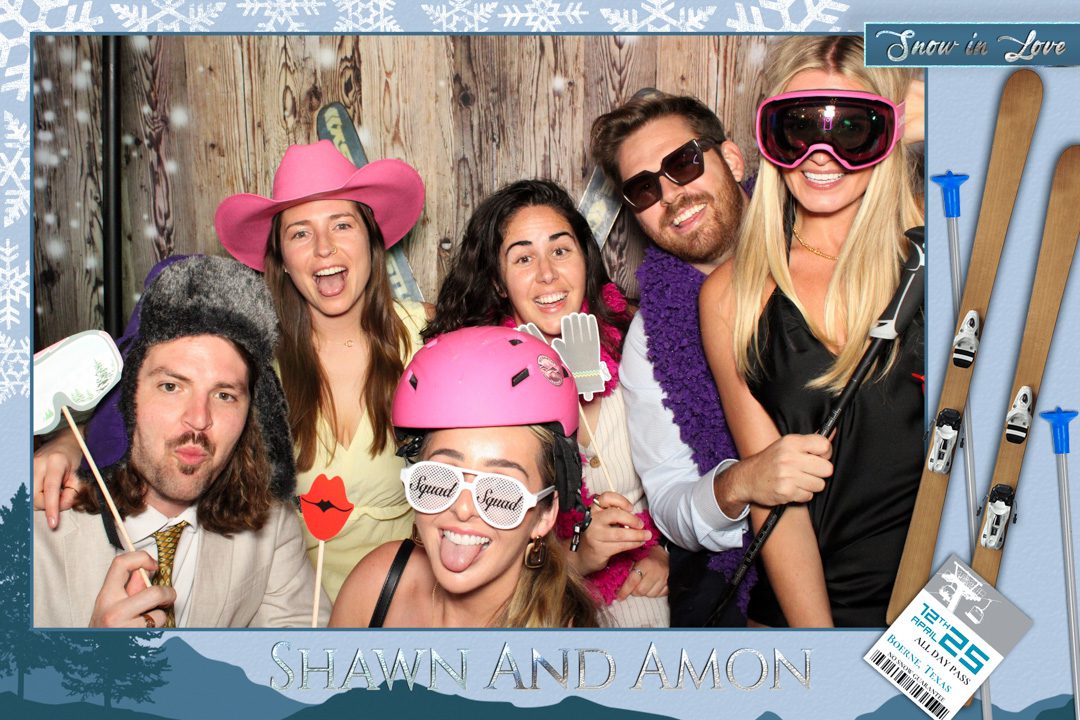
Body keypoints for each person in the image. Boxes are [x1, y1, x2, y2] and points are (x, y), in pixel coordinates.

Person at [34, 141, 428, 604]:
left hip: (398, 599)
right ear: (281, 258)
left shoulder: (430, 338)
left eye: (342, 224)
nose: (324, 248)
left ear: (371, 239)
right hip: (279, 603)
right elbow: (153, 399)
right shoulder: (248, 356)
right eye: (300, 233)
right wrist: (67, 444)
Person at [699, 35, 923, 627]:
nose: (821, 156)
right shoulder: (732, 295)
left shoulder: (942, 255)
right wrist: (819, 652)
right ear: (769, 136)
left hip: (949, 613)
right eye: (798, 129)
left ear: (891, 132)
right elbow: (775, 500)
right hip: (807, 615)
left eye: (852, 128)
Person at [589, 93, 820, 625]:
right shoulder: (653, 337)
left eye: (684, 162)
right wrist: (741, 483)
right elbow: (670, 499)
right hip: (750, 560)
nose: (671, 195)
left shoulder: (824, 242)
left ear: (732, 159)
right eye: (644, 189)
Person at [422, 179, 668, 627]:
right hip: (536, 612)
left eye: (560, 250)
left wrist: (661, 552)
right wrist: (578, 558)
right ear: (498, 282)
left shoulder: (639, 347)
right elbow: (466, 535)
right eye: (523, 258)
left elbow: (680, 474)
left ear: (585, 259)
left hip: (645, 602)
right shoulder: (475, 383)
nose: (547, 274)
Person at [33, 255, 328, 628]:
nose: (199, 419)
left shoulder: (271, 526)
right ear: (127, 395)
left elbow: (301, 652)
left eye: (224, 395)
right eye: (171, 386)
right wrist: (92, 655)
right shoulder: (31, 530)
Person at [329, 326, 598, 628]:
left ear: (545, 514)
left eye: (500, 491)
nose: (463, 508)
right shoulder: (376, 584)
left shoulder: (568, 646)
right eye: (441, 478)